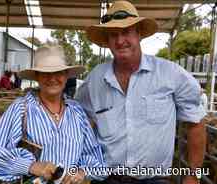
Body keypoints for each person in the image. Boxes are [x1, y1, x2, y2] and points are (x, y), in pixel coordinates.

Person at [76, 1, 206, 184]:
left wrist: (194, 175)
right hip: (107, 179)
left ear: (138, 34)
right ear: (107, 41)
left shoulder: (171, 74)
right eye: (113, 35)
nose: (120, 41)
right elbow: (80, 123)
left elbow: (196, 121)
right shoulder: (94, 81)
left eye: (126, 32)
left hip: (155, 179)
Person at [0, 45, 105, 183]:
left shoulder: (77, 112)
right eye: (45, 73)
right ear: (37, 77)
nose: (52, 78)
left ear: (65, 76)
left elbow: (95, 158)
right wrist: (32, 166)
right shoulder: (21, 108)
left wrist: (81, 172)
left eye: (58, 72)